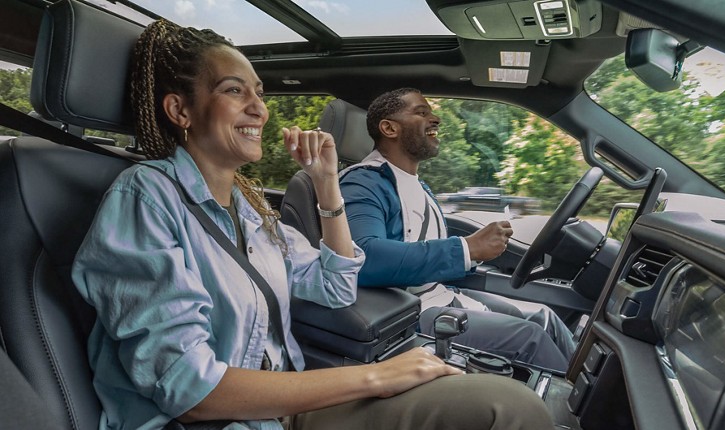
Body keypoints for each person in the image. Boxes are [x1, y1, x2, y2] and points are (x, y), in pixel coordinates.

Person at [70, 21, 554, 430]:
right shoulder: (145, 197)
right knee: (510, 409)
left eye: (259, 92)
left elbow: (336, 286)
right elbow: (190, 388)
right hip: (217, 419)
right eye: (234, 90)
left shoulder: (249, 204)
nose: (259, 107)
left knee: (502, 405)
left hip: (282, 410)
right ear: (180, 110)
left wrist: (326, 184)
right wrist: (377, 377)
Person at [340, 88, 576, 372]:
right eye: (421, 112)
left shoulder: (415, 184)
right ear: (389, 128)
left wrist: (476, 251)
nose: (436, 118)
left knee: (543, 316)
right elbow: (362, 255)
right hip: (405, 313)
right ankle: (578, 412)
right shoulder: (363, 183)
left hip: (438, 294)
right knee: (530, 338)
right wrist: (466, 248)